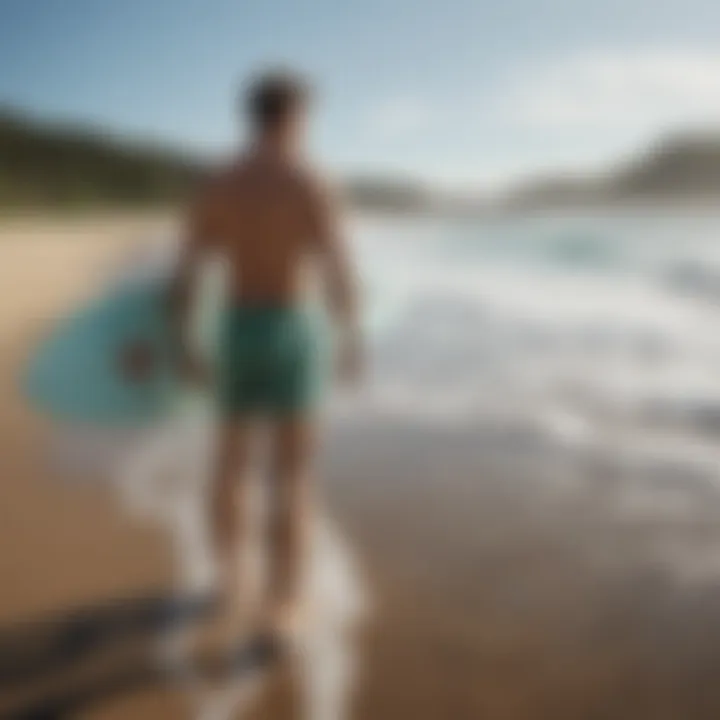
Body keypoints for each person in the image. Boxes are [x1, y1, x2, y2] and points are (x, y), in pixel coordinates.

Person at [170, 71, 360, 654]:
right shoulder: (310, 180)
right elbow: (337, 268)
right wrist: (351, 337)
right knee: (294, 475)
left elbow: (187, 274)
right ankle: (282, 606)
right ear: (295, 116)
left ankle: (229, 583)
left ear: (251, 116)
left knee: (229, 463)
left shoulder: (218, 183)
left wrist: (186, 344)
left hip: (235, 326)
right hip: (293, 328)